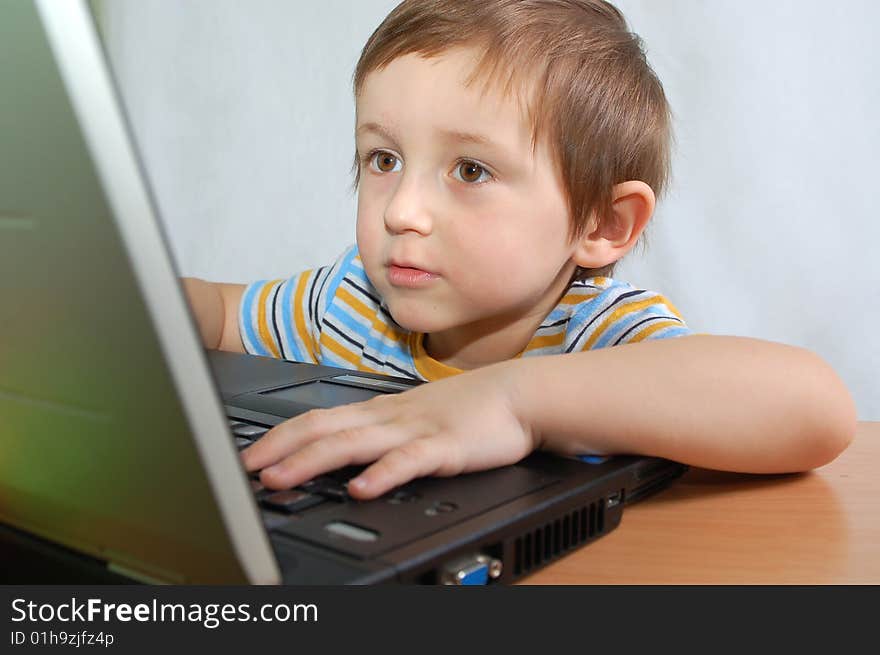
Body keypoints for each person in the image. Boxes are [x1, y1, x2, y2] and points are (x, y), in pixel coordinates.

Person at [183, 0, 855, 500]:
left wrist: (514, 401)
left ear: (603, 223)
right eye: (384, 158)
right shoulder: (350, 302)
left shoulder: (598, 336)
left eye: (470, 171)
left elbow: (816, 408)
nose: (401, 210)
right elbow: (214, 311)